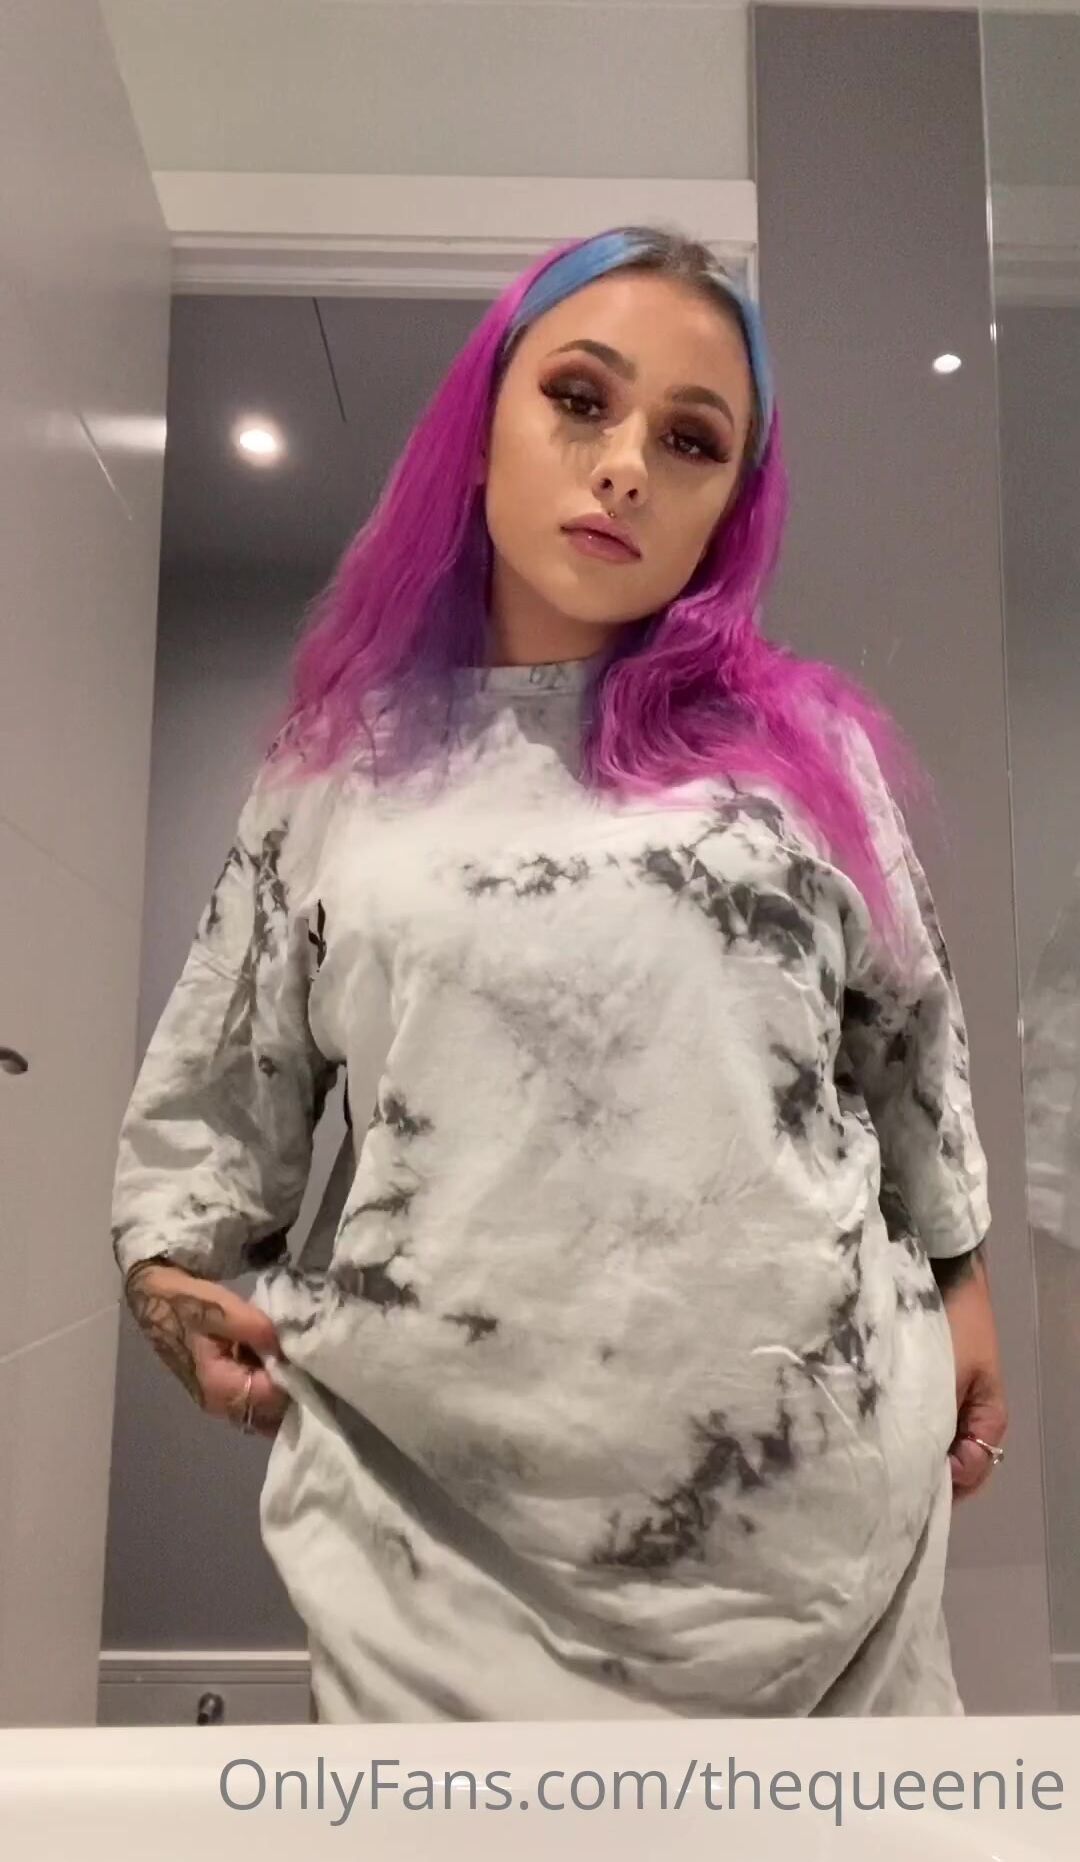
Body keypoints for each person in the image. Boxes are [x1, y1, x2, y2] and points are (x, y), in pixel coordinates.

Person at [112, 224, 1007, 1723]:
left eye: (691, 439)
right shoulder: (335, 776)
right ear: (482, 431)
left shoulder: (808, 761)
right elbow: (214, 1103)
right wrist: (173, 1277)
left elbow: (912, 1042)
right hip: (431, 1562)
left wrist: (966, 1277)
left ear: (730, 505)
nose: (626, 466)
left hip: (826, 1560)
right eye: (580, 400)